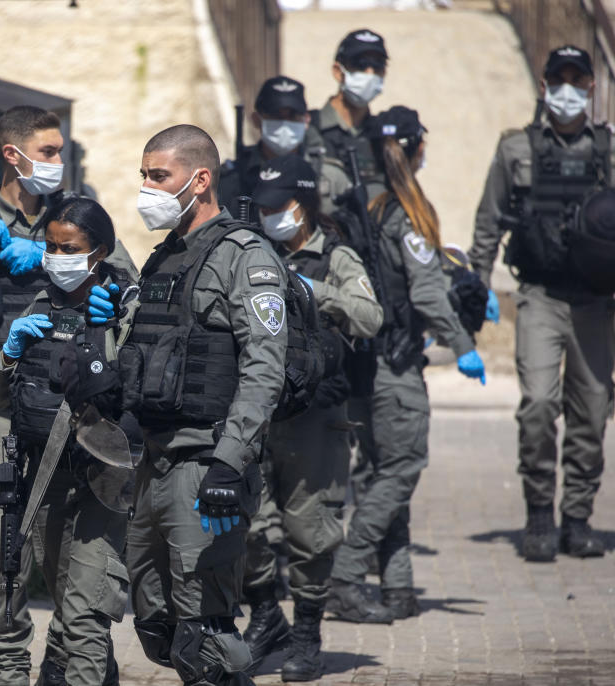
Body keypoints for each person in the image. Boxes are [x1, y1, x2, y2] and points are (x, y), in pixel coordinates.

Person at [0, 105, 138, 686]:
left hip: (75, 418)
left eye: (60, 152)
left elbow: (130, 286)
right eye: (48, 152)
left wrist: (43, 255)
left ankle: (64, 671)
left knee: (73, 582)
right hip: (1, 418)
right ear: (13, 155)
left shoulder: (75, 224)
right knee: (6, 573)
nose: (57, 164)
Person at [124, 124, 288, 686]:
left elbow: (264, 369)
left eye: (157, 176)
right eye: (143, 175)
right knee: (157, 626)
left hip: (205, 470)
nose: (146, 187)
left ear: (199, 179)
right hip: (152, 464)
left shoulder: (245, 256)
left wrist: (229, 461)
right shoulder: (163, 258)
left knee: (206, 637)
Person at [328, 107, 486, 622]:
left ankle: (398, 585)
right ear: (416, 150)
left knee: (378, 475)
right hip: (394, 367)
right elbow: (426, 292)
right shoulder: (401, 214)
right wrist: (462, 343)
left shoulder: (365, 212)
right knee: (401, 470)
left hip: (362, 367)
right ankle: (346, 575)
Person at [0, 195, 133, 686]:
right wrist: (8, 352)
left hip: (99, 485)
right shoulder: (39, 305)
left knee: (85, 616)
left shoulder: (124, 306)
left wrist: (111, 332)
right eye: (51, 247)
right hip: (41, 483)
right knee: (62, 604)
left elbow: (137, 396)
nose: (58, 257)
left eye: (71, 248)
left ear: (100, 252)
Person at [468, 45, 614, 562]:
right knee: (536, 405)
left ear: (592, 89)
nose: (568, 89)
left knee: (592, 412)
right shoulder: (516, 150)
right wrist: (477, 288)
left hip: (597, 303)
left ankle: (576, 520)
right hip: (540, 296)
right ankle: (537, 516)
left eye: (579, 80)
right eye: (560, 79)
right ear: (545, 85)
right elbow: (488, 222)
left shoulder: (608, 152)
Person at [241, 153, 383, 680]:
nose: (270, 216)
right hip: (254, 412)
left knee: (309, 531)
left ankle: (306, 635)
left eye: (279, 207)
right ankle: (263, 615)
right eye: (264, 208)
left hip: (315, 417)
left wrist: (312, 290)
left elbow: (370, 317)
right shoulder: (251, 252)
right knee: (244, 521)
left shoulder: (336, 256)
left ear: (302, 206)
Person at [218, 76, 325, 218]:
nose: (285, 124)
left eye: (293, 116)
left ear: (306, 120)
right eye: (276, 116)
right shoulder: (231, 178)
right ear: (257, 119)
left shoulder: (325, 173)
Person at [311, 28, 390, 207]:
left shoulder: (383, 135)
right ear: (338, 71)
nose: (370, 73)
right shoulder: (308, 128)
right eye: (360, 64)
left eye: (378, 65)